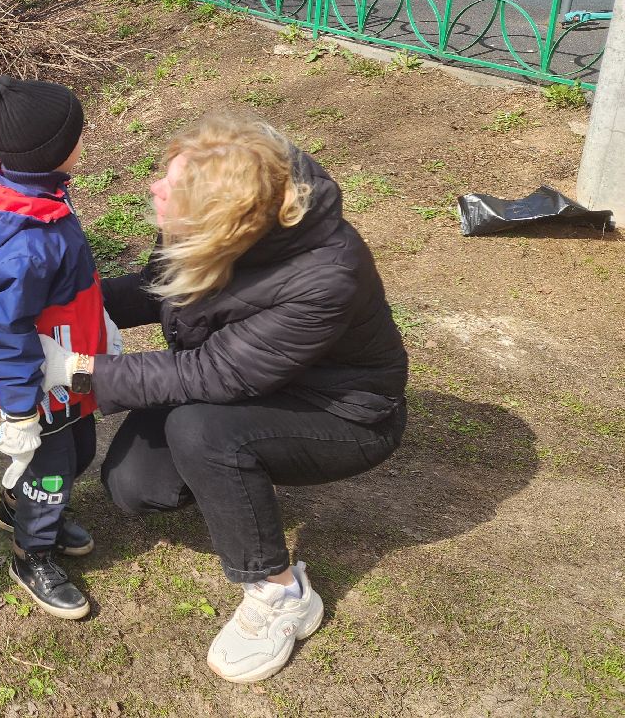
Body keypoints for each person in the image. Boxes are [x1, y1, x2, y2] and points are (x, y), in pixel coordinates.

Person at [37, 113, 408, 684]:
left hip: (341, 412)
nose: (156, 188)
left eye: (174, 188)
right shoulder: (220, 217)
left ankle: (281, 593)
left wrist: (77, 372)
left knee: (202, 433)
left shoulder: (327, 275)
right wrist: (67, 312)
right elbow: (158, 287)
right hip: (243, 376)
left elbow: (213, 374)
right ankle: (236, 472)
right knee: (135, 489)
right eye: (168, 175)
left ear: (224, 220)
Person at [0, 77, 105, 621]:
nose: (83, 138)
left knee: (82, 449)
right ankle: (32, 553)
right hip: (41, 378)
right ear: (53, 153)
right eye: (77, 133)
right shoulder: (27, 246)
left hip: (75, 362)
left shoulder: (39, 195)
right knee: (53, 466)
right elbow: (3, 330)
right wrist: (19, 409)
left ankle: (17, 505)